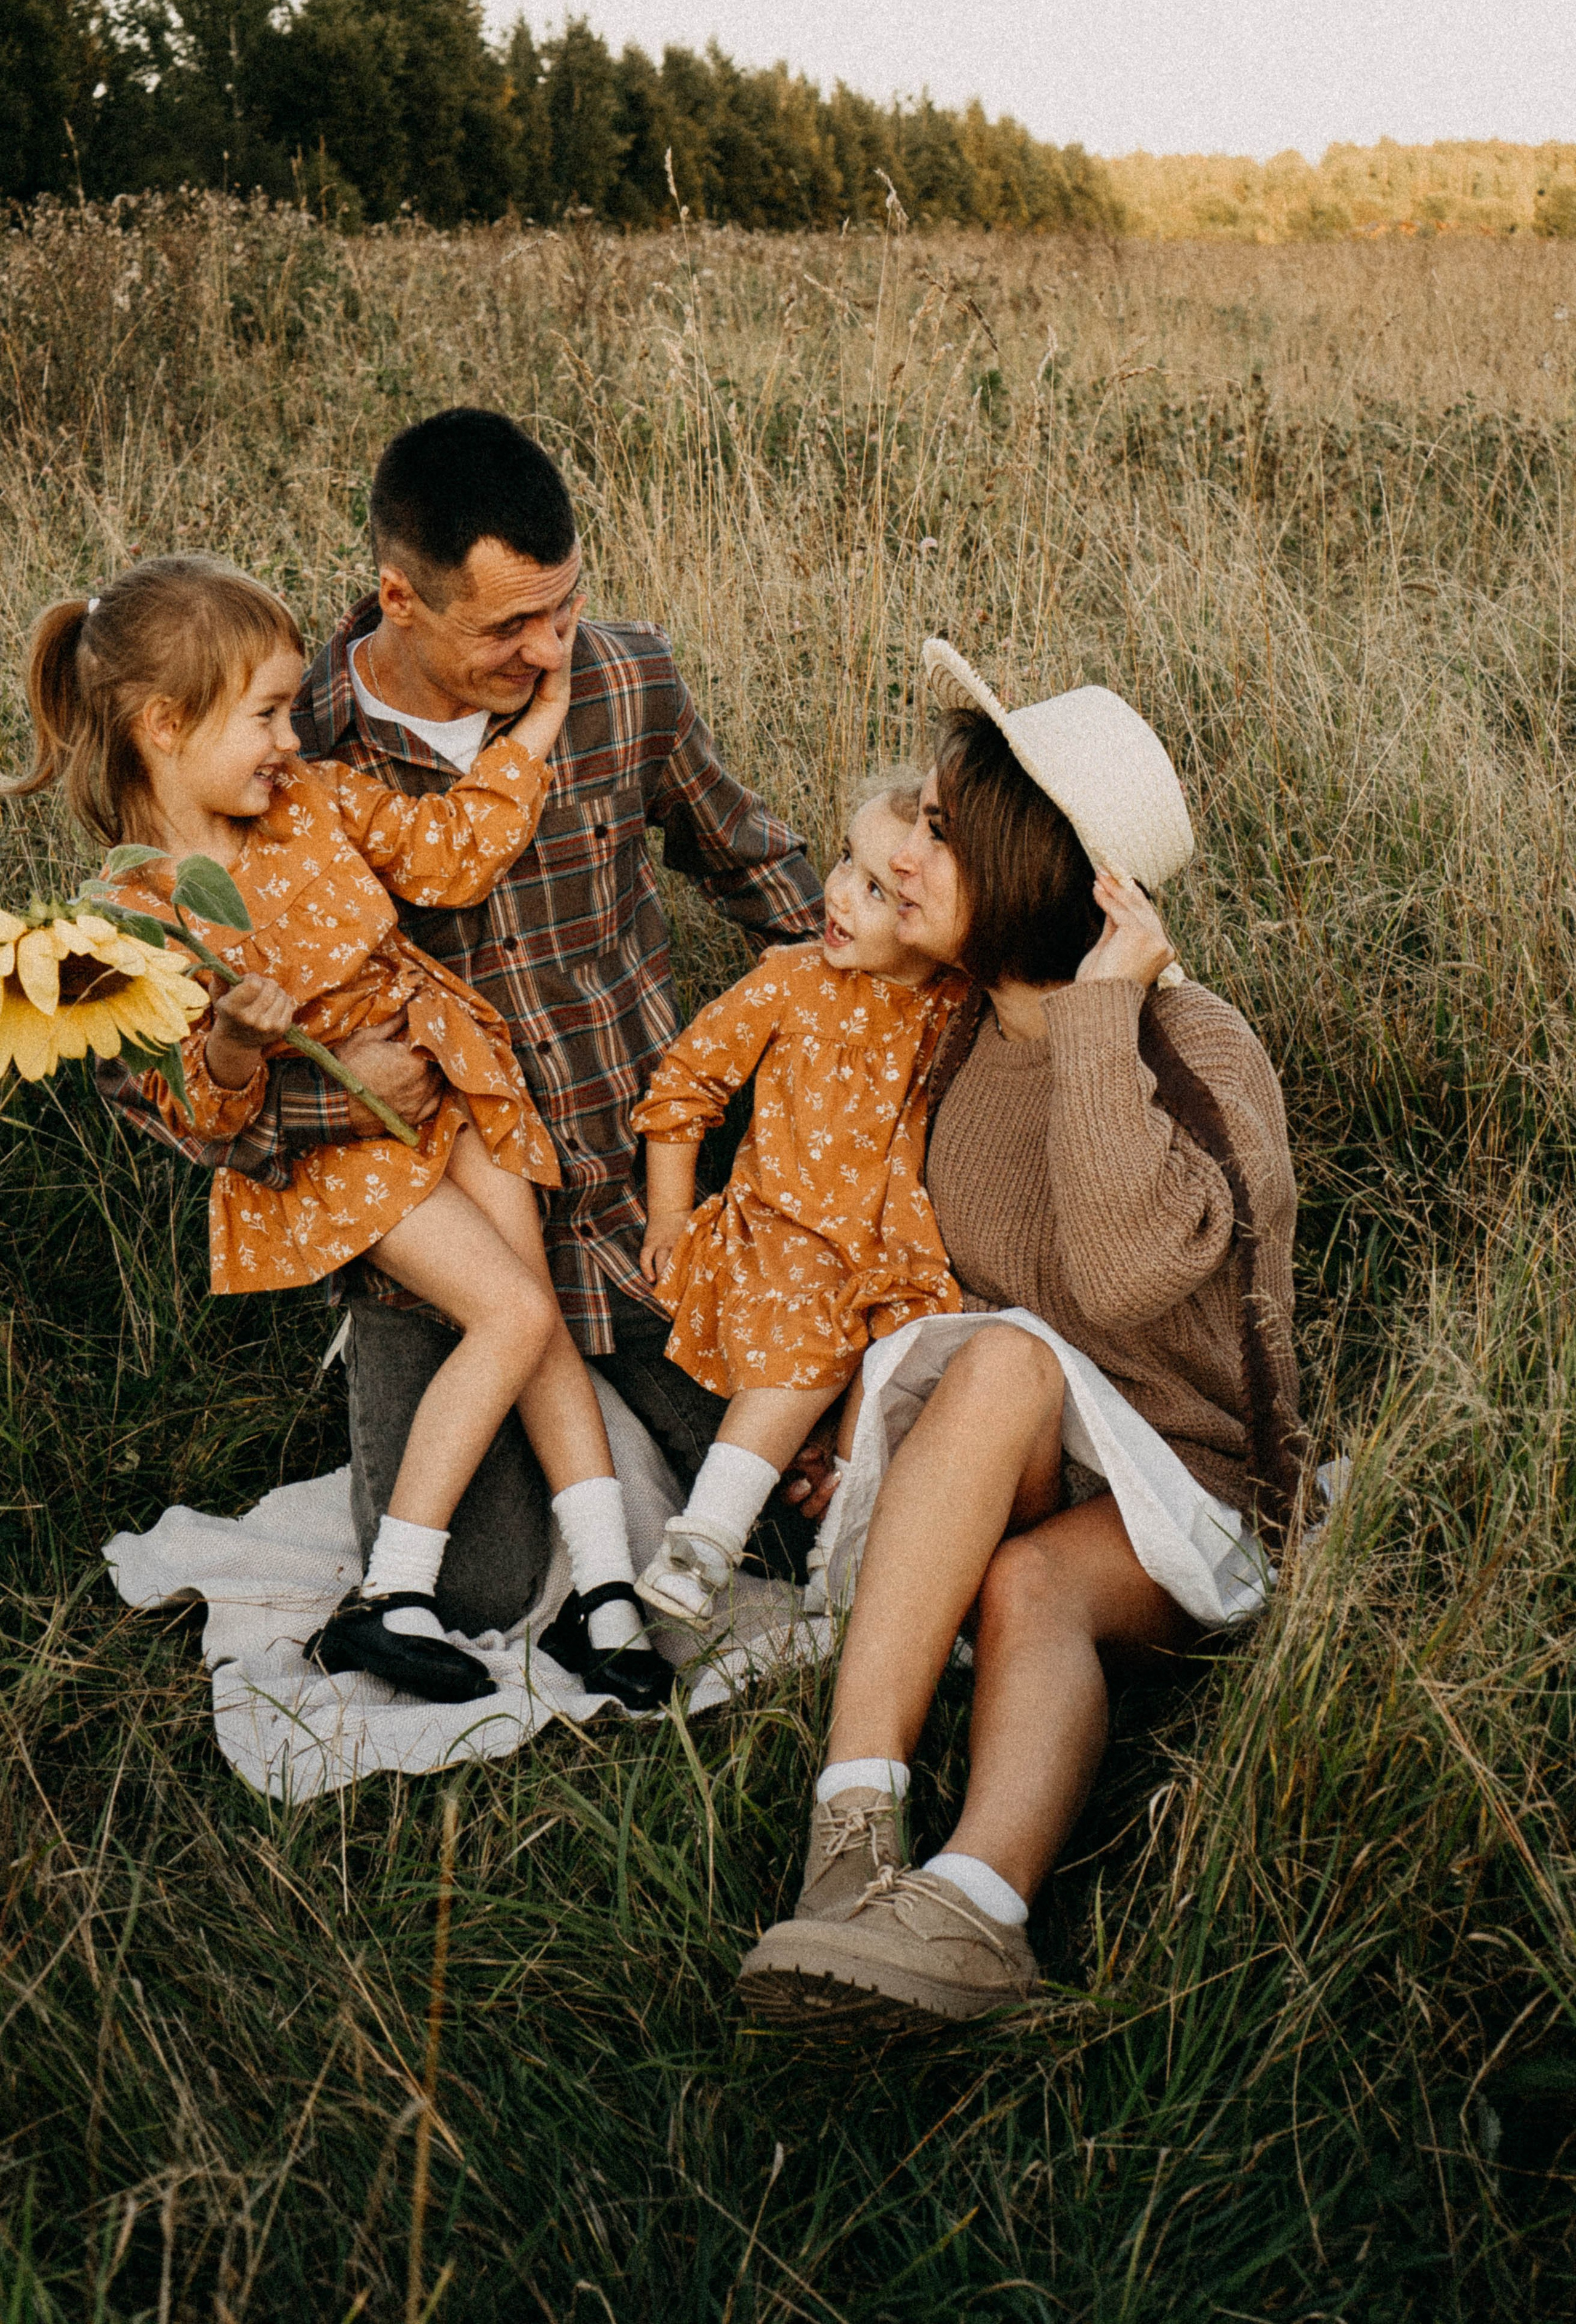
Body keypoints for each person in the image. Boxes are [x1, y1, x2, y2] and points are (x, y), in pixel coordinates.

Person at [96, 411, 826, 1646]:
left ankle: (631, 1425)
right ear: (400, 597)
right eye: (506, 628)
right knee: (479, 1590)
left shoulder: (622, 676)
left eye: (565, 607)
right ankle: (452, 1431)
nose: (549, 651)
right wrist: (354, 1088)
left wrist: (876, 1022)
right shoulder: (284, 739)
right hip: (420, 1206)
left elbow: (758, 869)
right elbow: (162, 1095)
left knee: (797, 1510)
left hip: (630, 1196)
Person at [738, 638, 1302, 2028]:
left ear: (1037, 874)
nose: (909, 846)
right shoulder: (949, 1035)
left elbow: (1111, 1287)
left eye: (945, 827)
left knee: (1026, 1577)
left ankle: (977, 1906)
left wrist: (1103, 1008)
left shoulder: (1193, 1052)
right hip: (1028, 1453)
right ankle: (853, 1843)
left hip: (1201, 1487)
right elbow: (898, 1252)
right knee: (991, 1373)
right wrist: (846, 1431)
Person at [17, 553, 672, 1711]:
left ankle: (605, 1596)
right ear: (167, 726)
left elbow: (454, 853)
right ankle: (396, 1596)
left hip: (453, 1074)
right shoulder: (127, 925)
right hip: (343, 1159)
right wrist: (232, 1045)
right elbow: (202, 1119)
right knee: (512, 1313)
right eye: (265, 713)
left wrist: (555, 711)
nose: (290, 733)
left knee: (541, 1315)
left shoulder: (313, 800)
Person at [629, 769, 968, 1628]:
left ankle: (843, 1563)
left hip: (891, 1255)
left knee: (905, 1365)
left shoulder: (952, 1006)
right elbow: (686, 1085)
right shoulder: (792, 980)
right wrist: (670, 1211)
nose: (843, 898)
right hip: (782, 1234)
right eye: (848, 866)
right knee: (813, 1329)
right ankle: (704, 1540)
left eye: (881, 893)